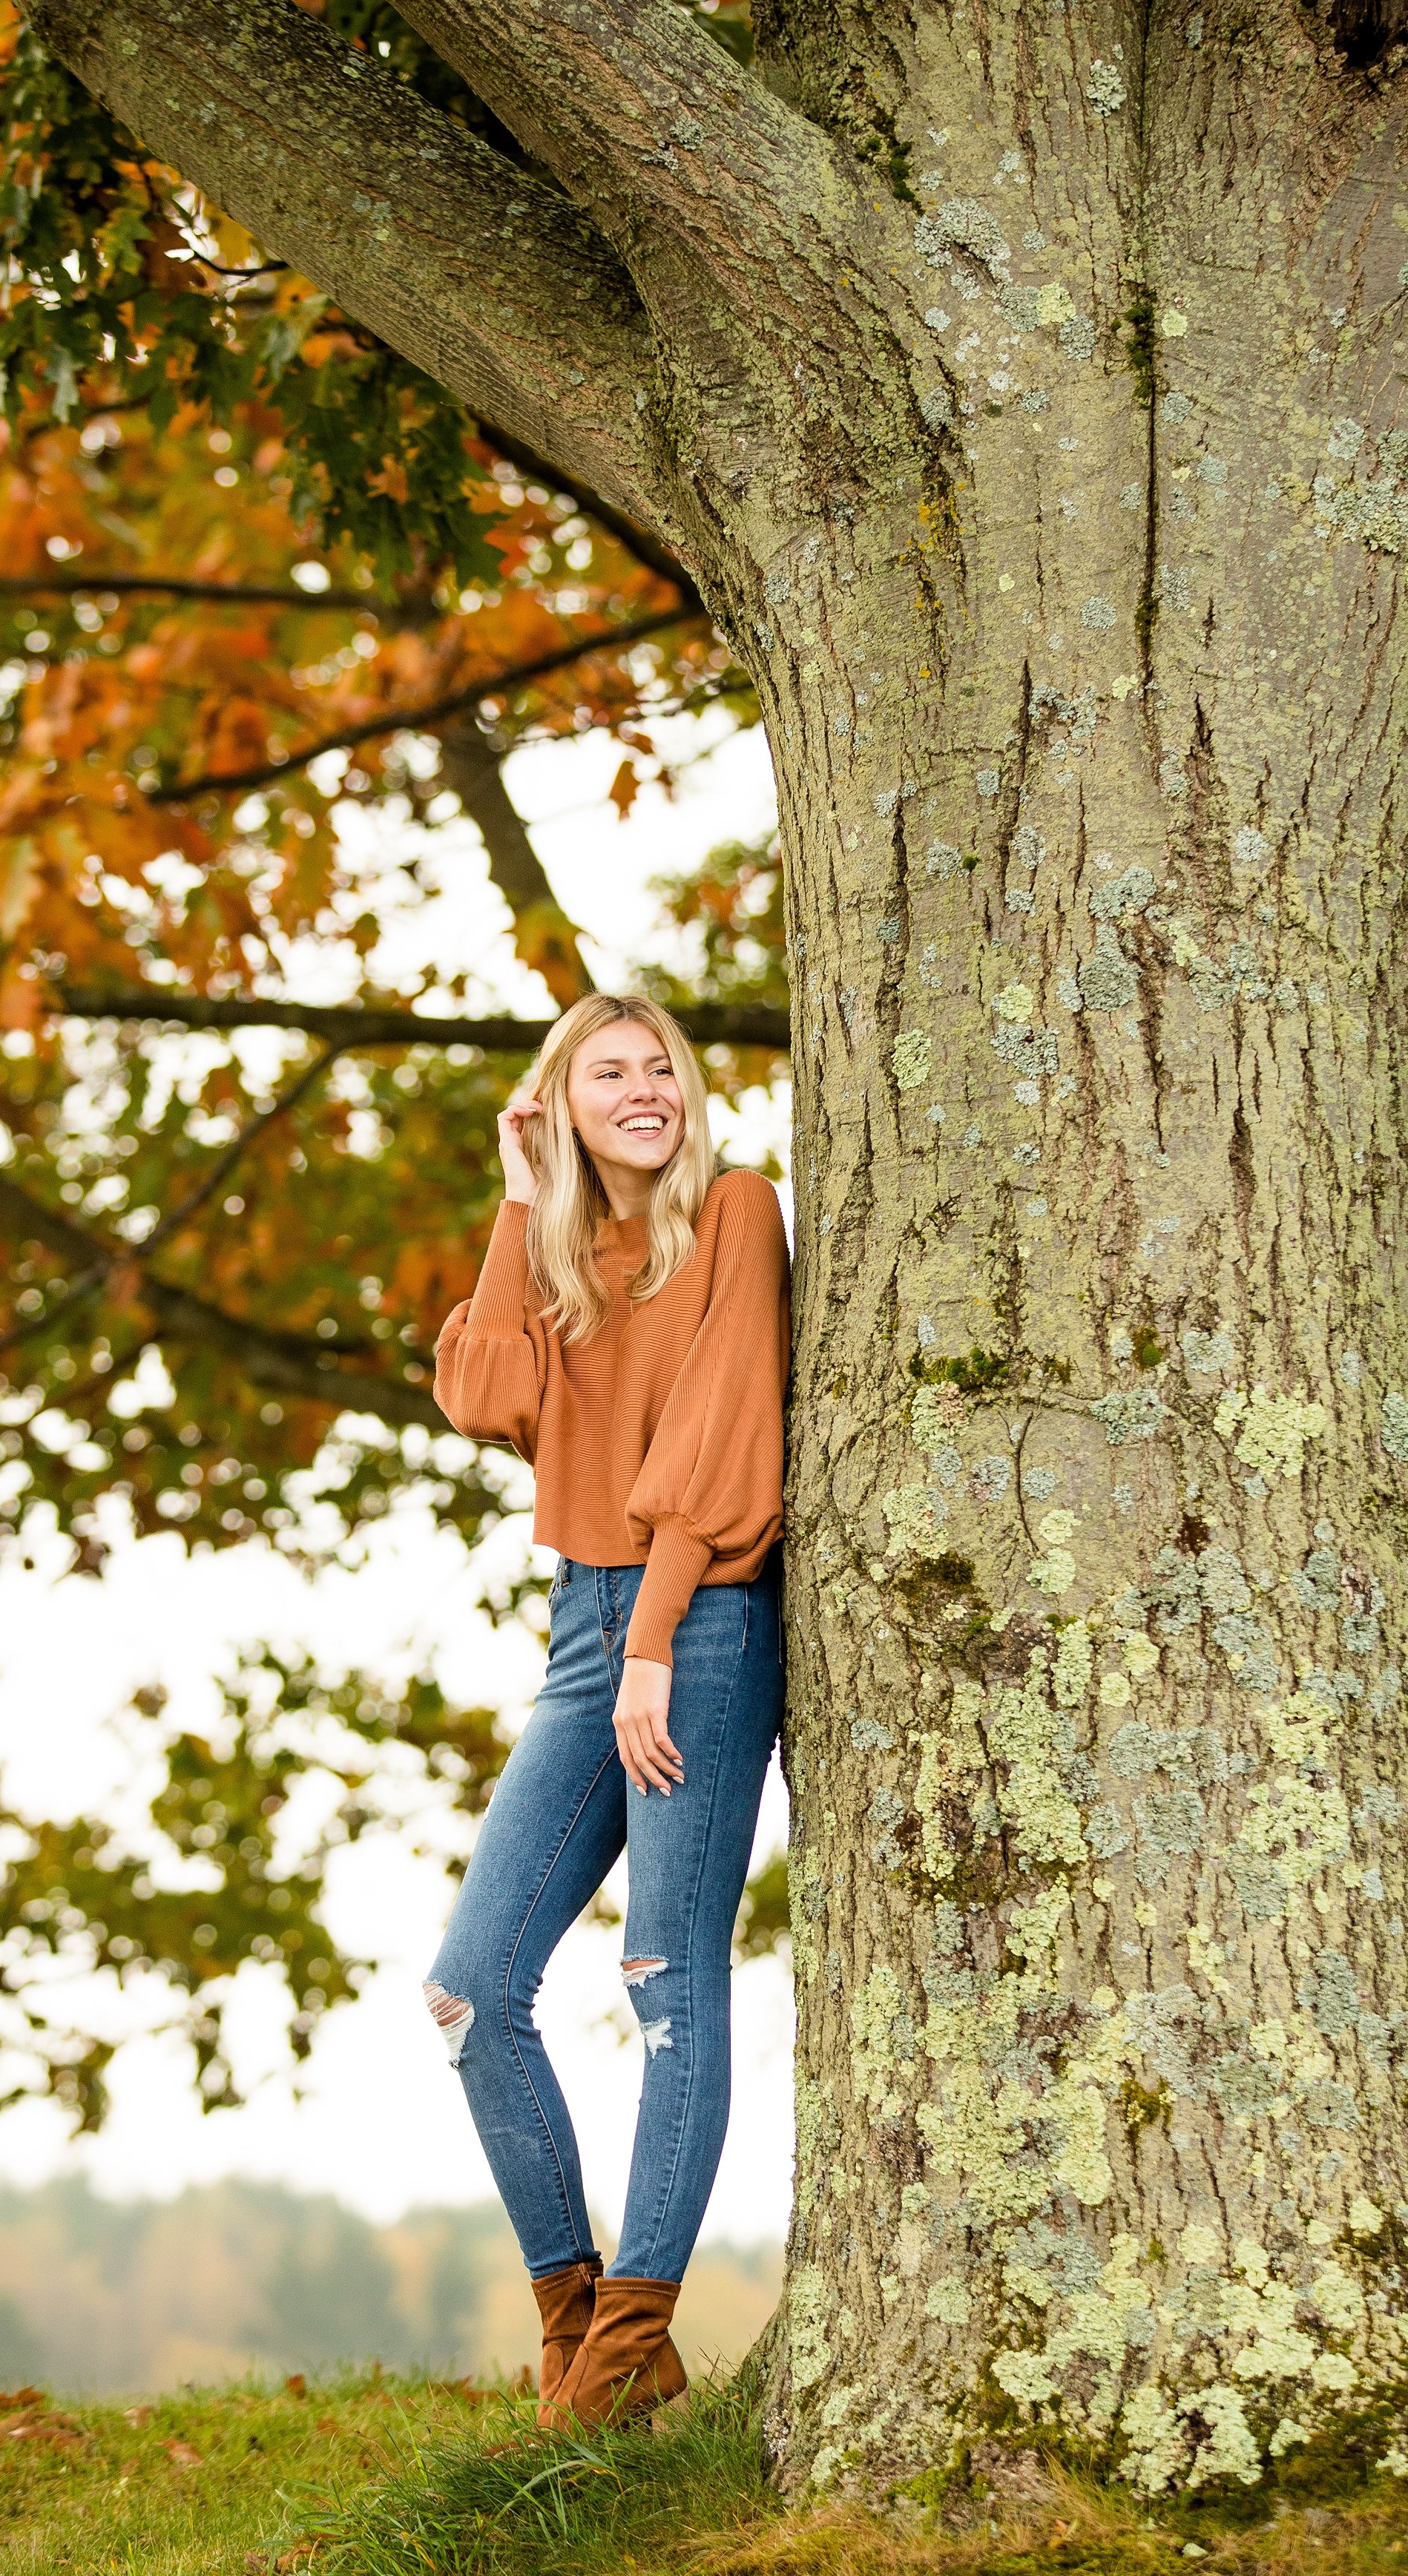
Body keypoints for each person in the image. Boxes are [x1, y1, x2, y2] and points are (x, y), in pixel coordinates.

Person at [426, 992, 791, 2430]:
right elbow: (482, 1392)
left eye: (659, 1070)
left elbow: (721, 1428)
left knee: (662, 1977)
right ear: (562, 1107)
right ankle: (579, 2326)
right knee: (470, 1990)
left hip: (695, 1618)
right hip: (585, 1623)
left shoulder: (737, 1215)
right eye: (606, 1075)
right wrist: (517, 1209)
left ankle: (629, 2337)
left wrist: (651, 1639)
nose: (640, 1092)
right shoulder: (565, 1258)